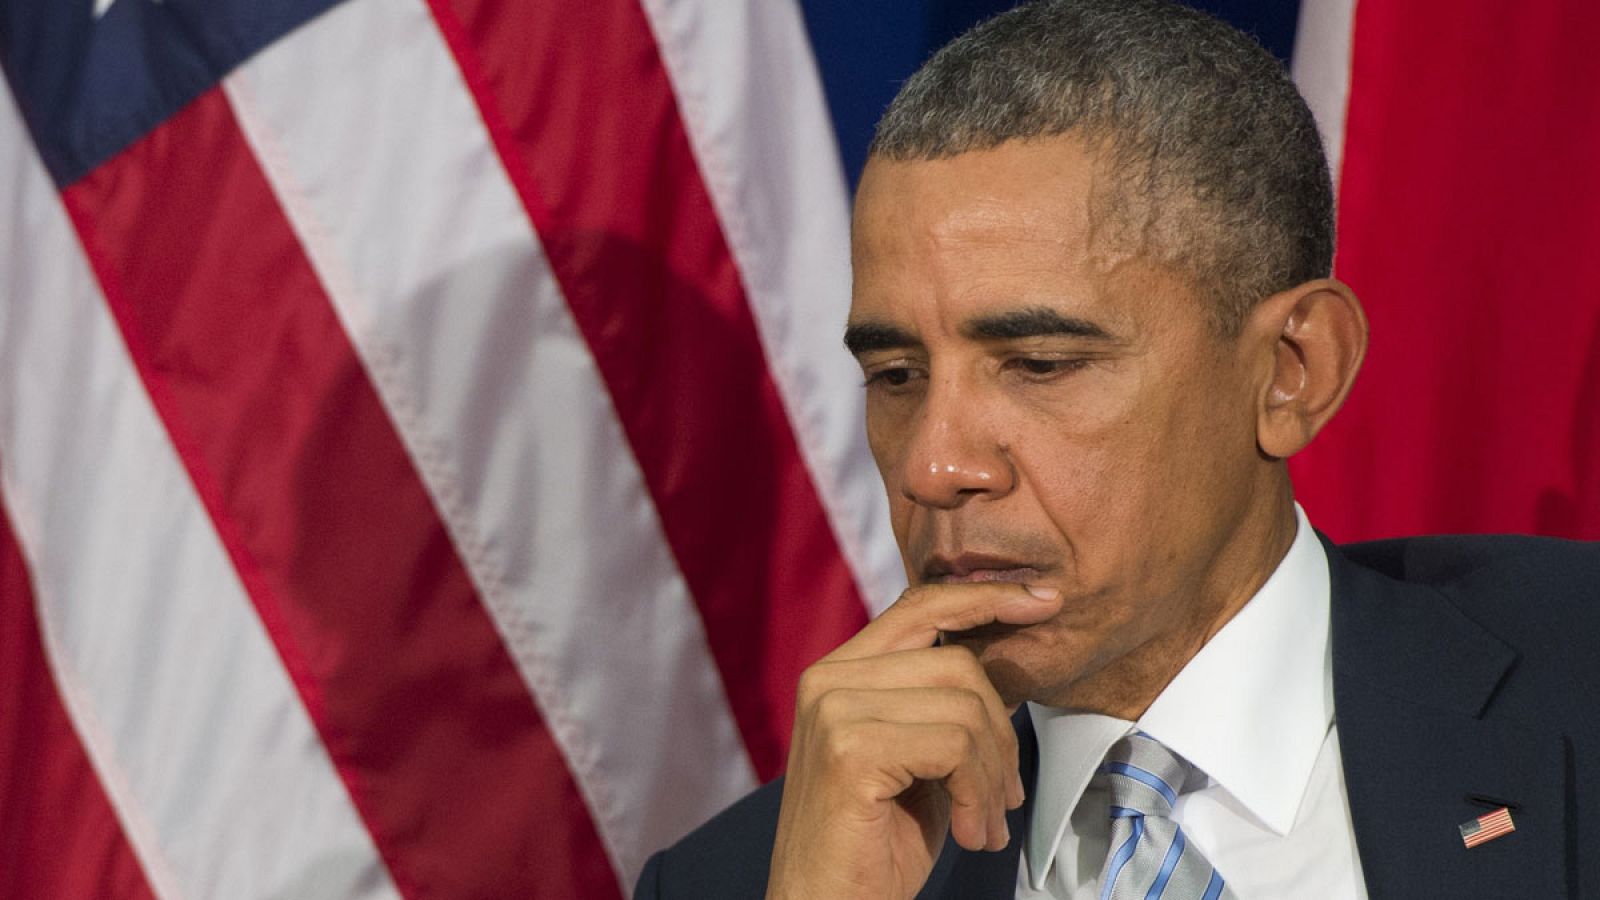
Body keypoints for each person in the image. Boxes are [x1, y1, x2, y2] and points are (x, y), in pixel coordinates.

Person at [635, 1, 1600, 897]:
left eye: (1040, 364)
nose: (935, 467)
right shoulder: (748, 879)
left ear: (1291, 371)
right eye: (896, 376)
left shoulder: (1577, 683)